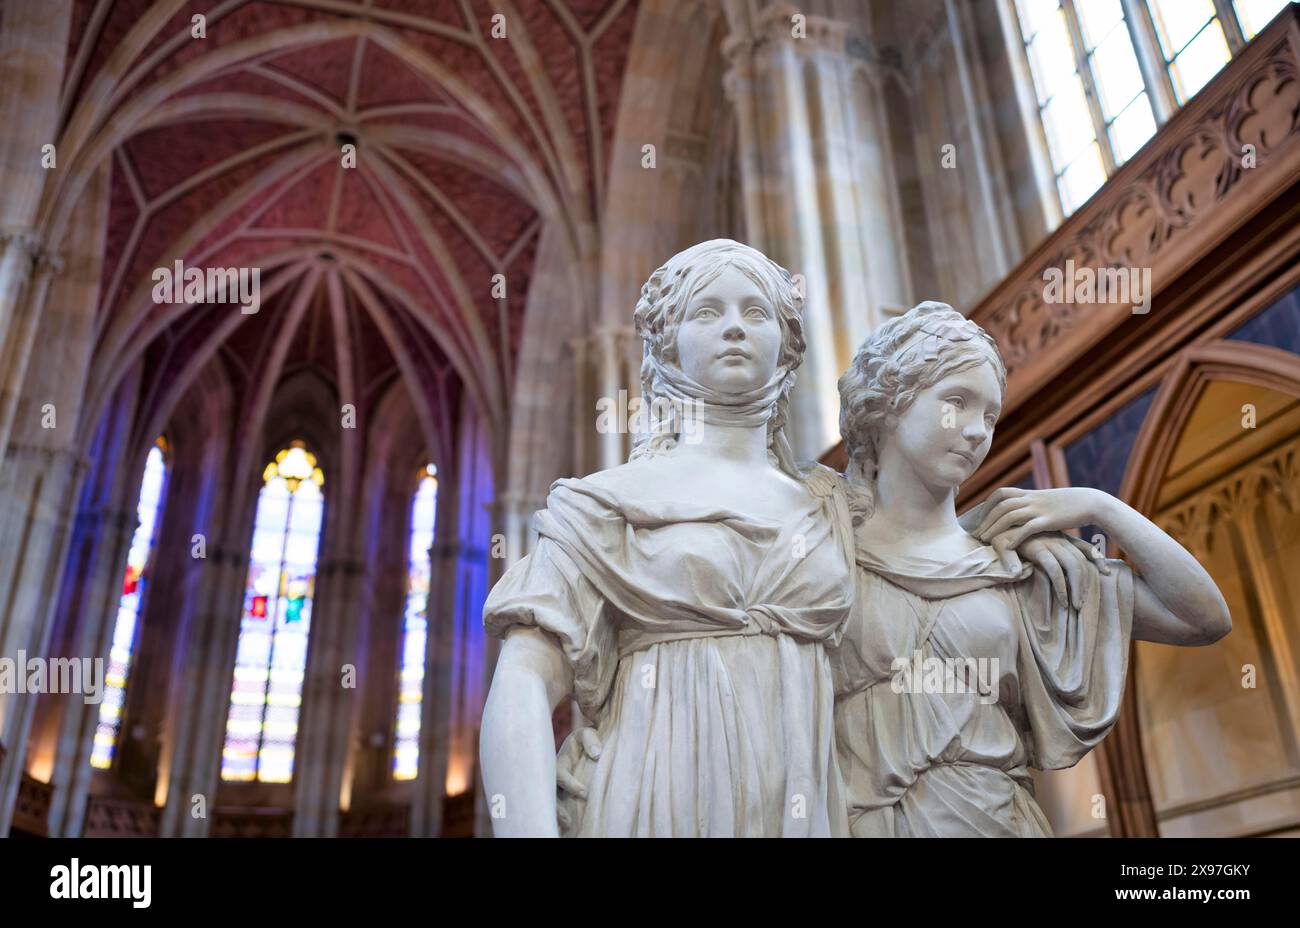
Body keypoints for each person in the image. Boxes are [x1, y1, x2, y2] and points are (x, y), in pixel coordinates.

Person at [831, 301, 1232, 837]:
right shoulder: (824, 541)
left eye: (990, 416)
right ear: (888, 403)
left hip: (999, 818)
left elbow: (1204, 618)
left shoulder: (1014, 561)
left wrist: (1099, 506)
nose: (977, 431)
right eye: (957, 402)